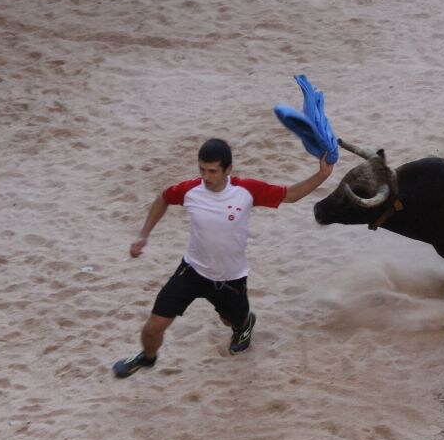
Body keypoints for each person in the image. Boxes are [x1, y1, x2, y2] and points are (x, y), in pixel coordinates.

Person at [113, 137, 334, 378]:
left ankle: (244, 325)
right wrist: (143, 235)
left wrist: (321, 175)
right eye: (202, 169)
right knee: (154, 327)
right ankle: (147, 357)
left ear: (228, 169)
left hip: (231, 279)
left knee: (231, 321)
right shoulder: (190, 190)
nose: (206, 177)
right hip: (191, 272)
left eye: (212, 171)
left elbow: (290, 195)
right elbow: (163, 199)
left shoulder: (246, 191)